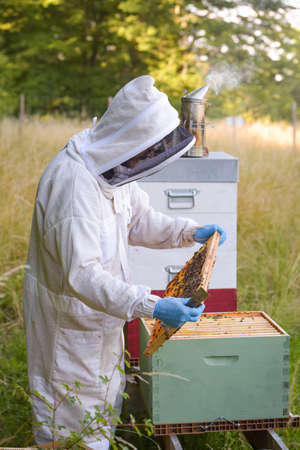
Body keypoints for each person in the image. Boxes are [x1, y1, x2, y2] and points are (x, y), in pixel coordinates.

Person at [23, 75, 226, 449]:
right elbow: (82, 276)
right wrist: (153, 305)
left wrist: (191, 231)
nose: (147, 159)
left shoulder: (112, 168)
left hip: (101, 321)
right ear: (128, 138)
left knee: (102, 412)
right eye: (147, 151)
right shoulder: (73, 188)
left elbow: (139, 220)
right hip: (70, 330)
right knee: (70, 431)